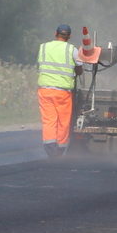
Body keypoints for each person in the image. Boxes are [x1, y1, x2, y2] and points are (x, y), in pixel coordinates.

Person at [36, 24, 83, 157]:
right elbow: (79, 69)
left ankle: (49, 146)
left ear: (55, 33)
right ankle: (60, 148)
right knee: (63, 120)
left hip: (45, 90)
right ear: (69, 36)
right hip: (63, 92)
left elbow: (40, 65)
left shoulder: (43, 47)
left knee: (48, 119)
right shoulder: (72, 50)